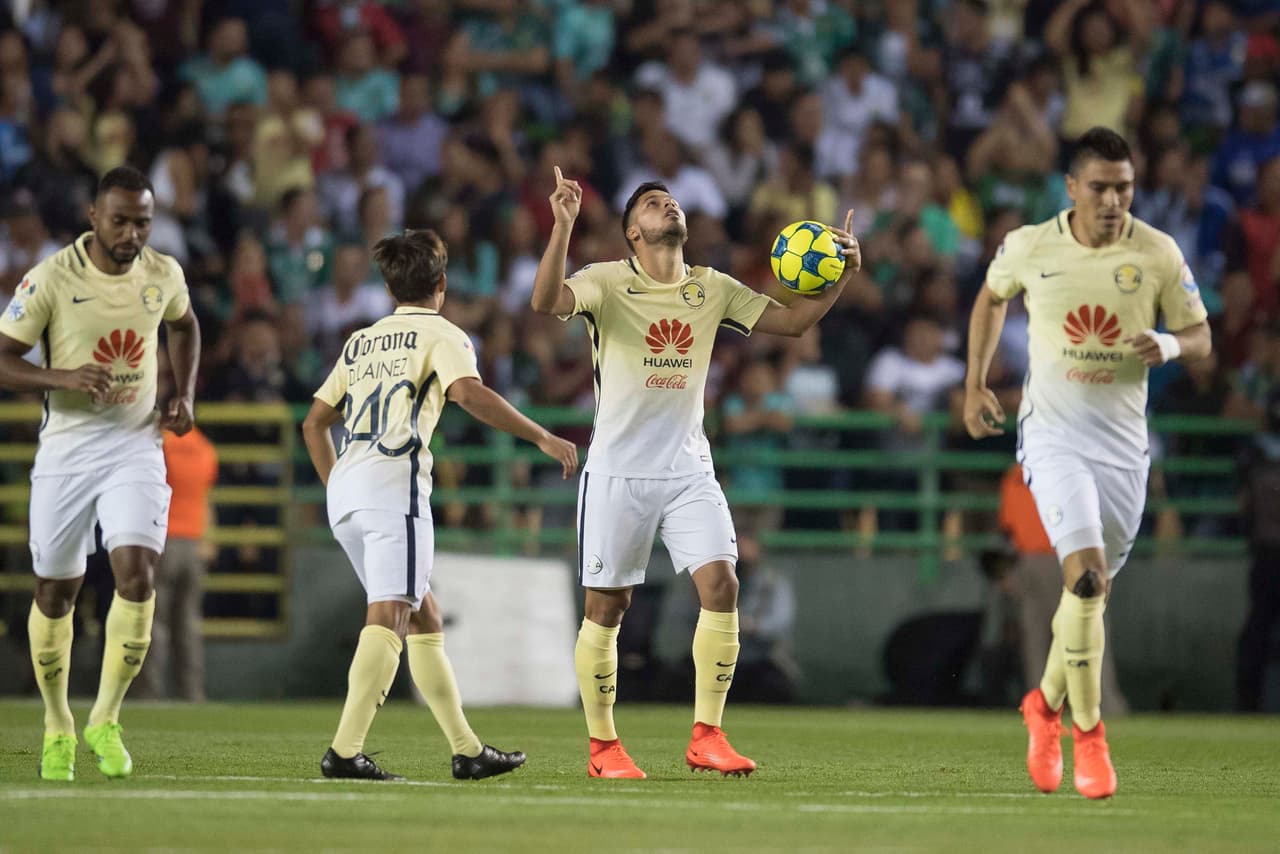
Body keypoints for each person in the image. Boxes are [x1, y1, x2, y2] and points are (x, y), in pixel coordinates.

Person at [531, 169, 860, 779]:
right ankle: (603, 749)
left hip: (688, 468)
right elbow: (546, 301)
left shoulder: (712, 287)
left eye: (671, 199)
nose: (669, 204)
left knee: (723, 586)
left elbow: (792, 323)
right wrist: (563, 226)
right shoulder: (607, 281)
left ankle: (706, 735)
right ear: (633, 232)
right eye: (654, 203)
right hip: (617, 471)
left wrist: (842, 276)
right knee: (607, 608)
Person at [963, 128, 1212, 799]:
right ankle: (1089, 734)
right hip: (1053, 438)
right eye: (1099, 187)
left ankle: (1042, 707)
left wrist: (1168, 343)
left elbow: (1202, 333)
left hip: (1124, 450)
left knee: (1090, 596)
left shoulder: (1156, 251)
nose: (1111, 199)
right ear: (1071, 188)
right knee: (1086, 578)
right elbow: (992, 297)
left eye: (1123, 188)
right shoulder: (1029, 246)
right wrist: (975, 383)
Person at [301, 228, 578, 781]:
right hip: (392, 490)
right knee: (391, 613)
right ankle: (345, 750)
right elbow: (469, 393)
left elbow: (313, 424)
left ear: (388, 286)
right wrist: (541, 437)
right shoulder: (443, 334)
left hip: (348, 492)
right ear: (442, 285)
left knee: (423, 614)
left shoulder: (361, 340)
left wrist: (336, 485)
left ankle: (467, 749)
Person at [0, 165, 201, 781]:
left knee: (138, 577)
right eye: (120, 220)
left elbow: (185, 324)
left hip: (134, 446)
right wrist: (60, 377)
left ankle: (105, 719)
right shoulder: (51, 280)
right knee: (56, 592)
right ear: (94, 216)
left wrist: (184, 394)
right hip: (66, 451)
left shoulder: (163, 273)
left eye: (143, 221)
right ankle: (58, 722)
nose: (132, 232)